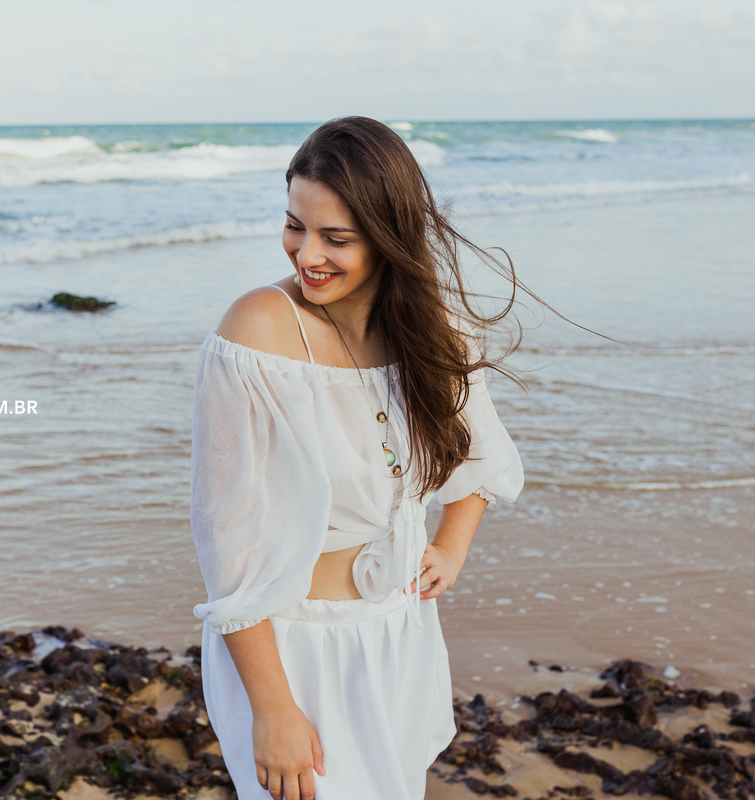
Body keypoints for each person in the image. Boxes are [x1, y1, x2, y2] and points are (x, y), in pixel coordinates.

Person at [189, 117, 525, 800]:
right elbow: (229, 544)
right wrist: (272, 708)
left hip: (403, 636)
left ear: (389, 236)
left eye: (335, 238)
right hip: (297, 649)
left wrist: (452, 546)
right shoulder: (258, 331)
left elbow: (479, 455)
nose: (305, 254)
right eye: (294, 226)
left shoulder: (436, 329)